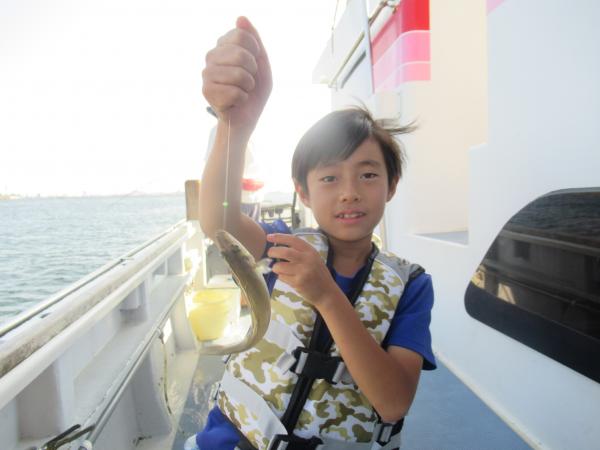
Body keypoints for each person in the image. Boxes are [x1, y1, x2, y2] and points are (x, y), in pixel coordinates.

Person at [193, 16, 436, 450]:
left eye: (368, 174)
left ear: (391, 185)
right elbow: (218, 222)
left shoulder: (412, 285)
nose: (349, 192)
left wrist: (326, 294)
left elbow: (394, 402)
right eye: (329, 178)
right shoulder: (283, 247)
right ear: (303, 192)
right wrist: (235, 126)